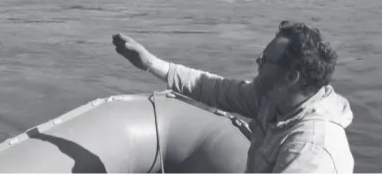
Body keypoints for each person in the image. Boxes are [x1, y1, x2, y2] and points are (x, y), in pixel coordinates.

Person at [113, 21, 354, 173]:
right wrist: (150, 64)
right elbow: (214, 88)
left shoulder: (310, 147)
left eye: (265, 60)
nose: (257, 63)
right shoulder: (274, 101)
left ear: (291, 76)